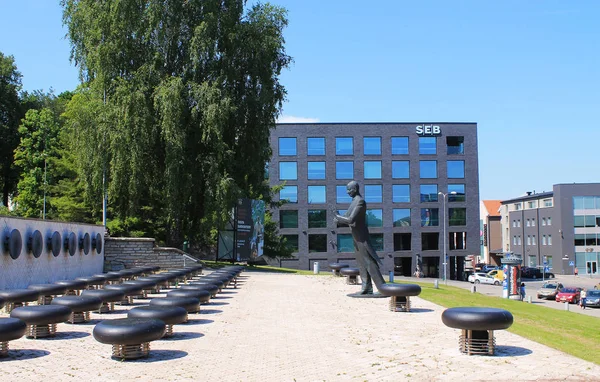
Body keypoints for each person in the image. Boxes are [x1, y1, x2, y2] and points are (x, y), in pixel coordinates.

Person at [333, 181, 385, 295]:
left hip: (362, 237)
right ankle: (366, 287)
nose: (347, 192)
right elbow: (346, 217)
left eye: (349, 190)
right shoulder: (353, 202)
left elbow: (351, 220)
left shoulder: (360, 202)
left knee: (369, 262)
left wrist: (338, 216)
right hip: (356, 237)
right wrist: (338, 220)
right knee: (361, 263)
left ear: (355, 189)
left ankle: (382, 287)